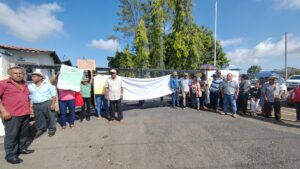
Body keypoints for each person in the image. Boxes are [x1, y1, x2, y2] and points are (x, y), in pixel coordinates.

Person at [0, 67, 34, 164]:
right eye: (15, 73)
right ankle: (10, 155)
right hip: (11, 114)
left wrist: (30, 107)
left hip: (25, 113)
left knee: (23, 134)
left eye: (20, 73)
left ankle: (22, 148)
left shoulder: (25, 84)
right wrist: (3, 111)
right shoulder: (3, 84)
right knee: (12, 135)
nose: (18, 75)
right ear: (10, 74)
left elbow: (27, 97)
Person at [28, 71, 57, 138]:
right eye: (32, 76)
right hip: (36, 104)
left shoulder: (48, 85)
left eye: (34, 76)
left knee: (50, 116)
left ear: (40, 77)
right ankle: (41, 129)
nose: (32, 77)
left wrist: (53, 104)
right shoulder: (30, 86)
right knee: (39, 118)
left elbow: (53, 95)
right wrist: (30, 106)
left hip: (47, 103)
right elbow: (29, 96)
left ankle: (52, 129)